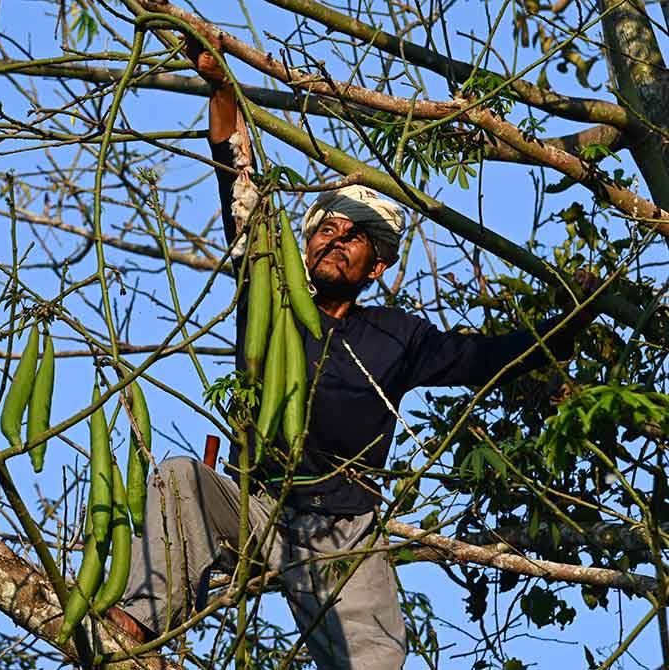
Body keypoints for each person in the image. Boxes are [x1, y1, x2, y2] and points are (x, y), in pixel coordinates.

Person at [107, 39, 600, 669]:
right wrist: (219, 84)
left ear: (378, 266)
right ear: (306, 243)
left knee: (374, 660)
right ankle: (135, 620)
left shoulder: (397, 337)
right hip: (255, 504)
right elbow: (234, 172)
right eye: (327, 229)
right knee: (179, 477)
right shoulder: (270, 287)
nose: (338, 241)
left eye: (358, 238)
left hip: (342, 528)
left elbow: (491, 358)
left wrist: (573, 320)